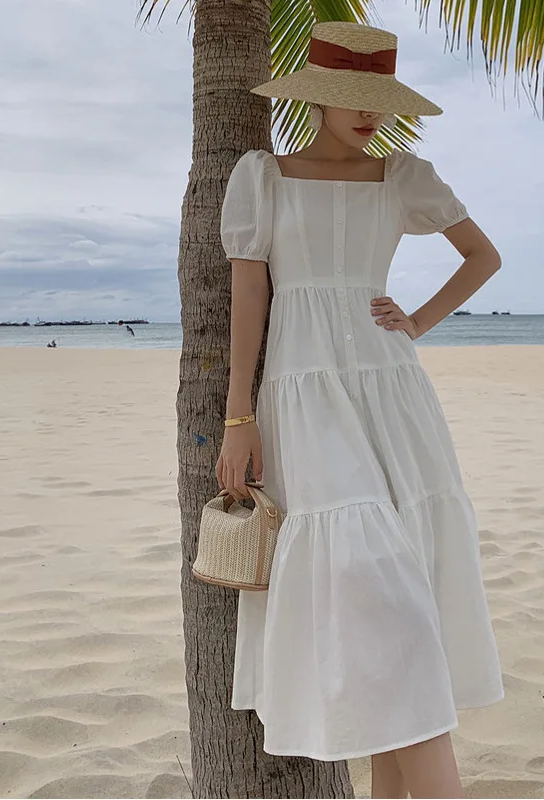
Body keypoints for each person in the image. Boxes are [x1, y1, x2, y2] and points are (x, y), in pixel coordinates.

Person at [216, 21, 504, 799]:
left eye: (379, 98)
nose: (368, 113)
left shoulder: (405, 176)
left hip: (392, 390)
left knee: (409, 582)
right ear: (315, 96)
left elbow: (484, 257)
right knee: (376, 586)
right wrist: (238, 415)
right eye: (352, 97)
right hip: (303, 392)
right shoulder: (263, 176)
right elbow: (250, 292)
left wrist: (417, 321)